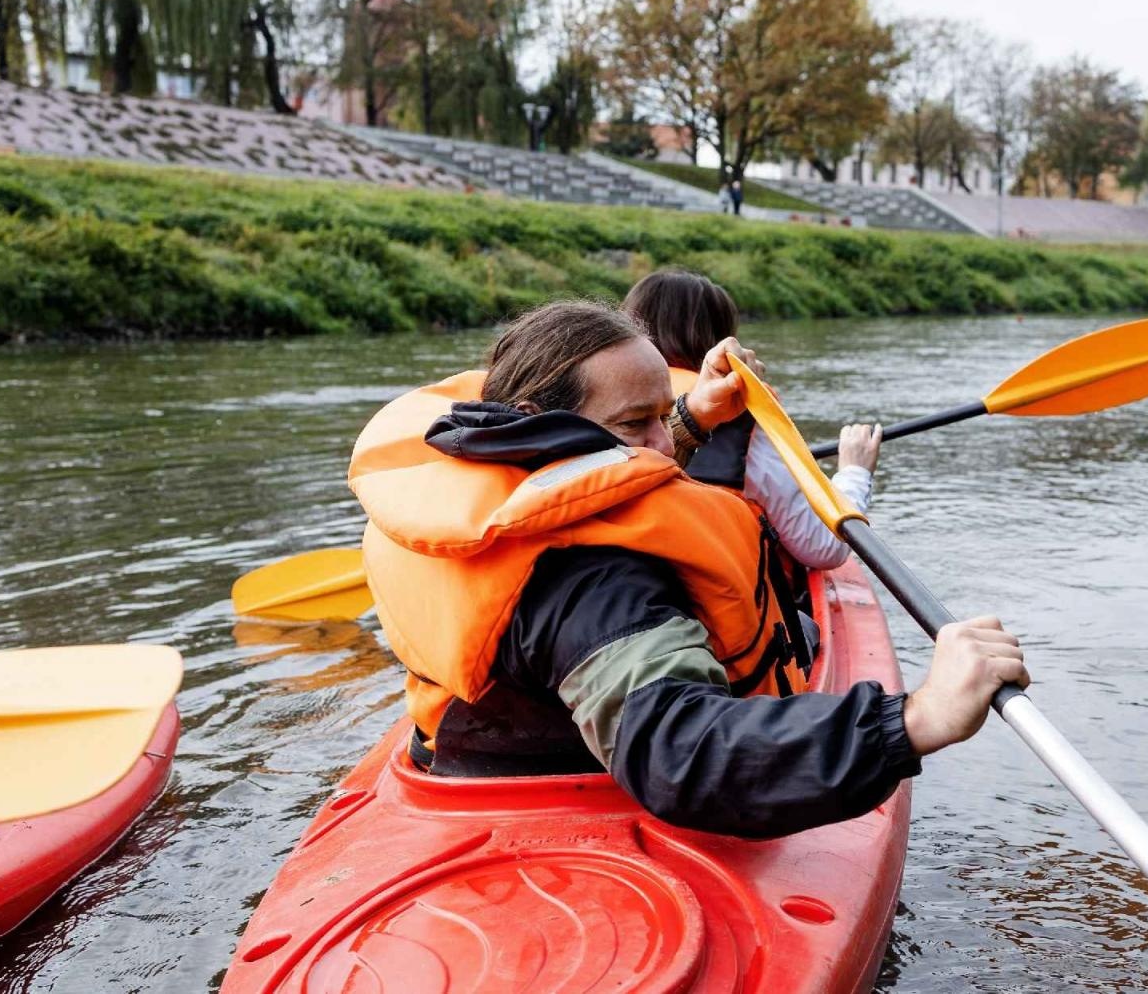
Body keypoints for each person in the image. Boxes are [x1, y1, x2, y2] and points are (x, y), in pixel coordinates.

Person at [349, 301, 1028, 838]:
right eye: (635, 422)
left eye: (660, 415)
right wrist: (916, 717)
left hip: (462, 764)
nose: (661, 447)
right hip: (584, 800)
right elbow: (680, 754)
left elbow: (593, 464)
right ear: (539, 419)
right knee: (805, 634)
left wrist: (691, 416)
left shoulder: (477, 466)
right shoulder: (597, 582)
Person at [622, 268, 879, 572]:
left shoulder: (605, 401)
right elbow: (824, 546)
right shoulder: (736, 412)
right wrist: (854, 471)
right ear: (717, 341)